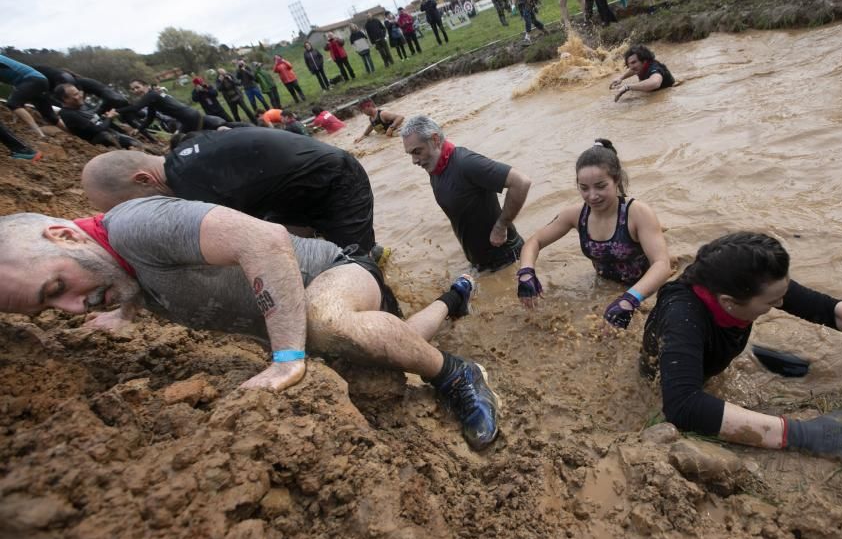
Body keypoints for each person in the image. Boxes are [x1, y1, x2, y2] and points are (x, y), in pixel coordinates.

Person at [0, 197, 500, 450]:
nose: (70, 309)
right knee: (398, 342)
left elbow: (264, 241)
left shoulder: (136, 226)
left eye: (55, 289)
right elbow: (133, 279)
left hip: (334, 272)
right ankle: (455, 296)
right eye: (49, 311)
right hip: (298, 313)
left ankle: (457, 375)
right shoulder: (112, 268)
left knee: (328, 324)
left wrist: (286, 357)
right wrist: (123, 310)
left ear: (64, 236)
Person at [641, 231, 842, 469]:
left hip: (710, 359)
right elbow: (682, 405)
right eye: (773, 302)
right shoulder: (683, 317)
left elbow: (823, 308)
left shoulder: (739, 281)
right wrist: (804, 434)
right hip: (665, 380)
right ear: (728, 302)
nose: (783, 304)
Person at [81, 126, 379, 256]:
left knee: (356, 267)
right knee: (318, 250)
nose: (141, 215)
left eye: (131, 205)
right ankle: (365, 247)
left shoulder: (191, 185)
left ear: (144, 180)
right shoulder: (186, 153)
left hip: (337, 182)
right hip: (297, 190)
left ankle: (397, 333)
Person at [517, 139, 671, 328]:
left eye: (600, 186)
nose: (592, 195)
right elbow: (535, 241)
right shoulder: (575, 215)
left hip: (645, 291)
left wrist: (631, 299)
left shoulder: (638, 213)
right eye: (584, 188)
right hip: (605, 285)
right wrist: (526, 273)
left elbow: (662, 265)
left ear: (616, 181)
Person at [400, 115, 532, 272]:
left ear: (435, 140)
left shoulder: (466, 163)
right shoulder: (435, 168)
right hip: (480, 263)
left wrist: (501, 226)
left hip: (506, 259)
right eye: (411, 154)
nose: (414, 160)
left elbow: (521, 182)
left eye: (417, 151)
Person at [114, 79, 228, 134]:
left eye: (137, 87)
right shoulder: (153, 97)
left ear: (146, 86)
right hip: (189, 117)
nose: (135, 91)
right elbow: (149, 118)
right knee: (180, 138)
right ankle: (226, 131)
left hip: (189, 118)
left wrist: (116, 111)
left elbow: (135, 108)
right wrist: (139, 129)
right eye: (133, 89)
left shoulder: (152, 95)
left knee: (187, 141)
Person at [54, 84, 145, 150]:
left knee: (138, 145)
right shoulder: (68, 114)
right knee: (108, 136)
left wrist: (105, 117)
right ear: (65, 99)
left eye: (78, 93)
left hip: (110, 133)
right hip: (102, 139)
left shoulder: (81, 106)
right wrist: (109, 117)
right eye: (75, 95)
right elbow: (96, 130)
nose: (80, 96)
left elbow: (96, 119)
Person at [0, 55, 57, 138]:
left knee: (13, 103)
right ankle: (74, 132)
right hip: (37, 80)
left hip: (32, 80)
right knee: (50, 116)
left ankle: (39, 134)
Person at [608, 45, 675, 102]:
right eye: (629, 64)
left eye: (634, 62)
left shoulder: (655, 68)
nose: (631, 67)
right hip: (651, 91)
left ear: (644, 61)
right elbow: (633, 70)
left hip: (665, 94)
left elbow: (655, 83)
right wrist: (621, 78)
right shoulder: (640, 66)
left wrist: (627, 87)